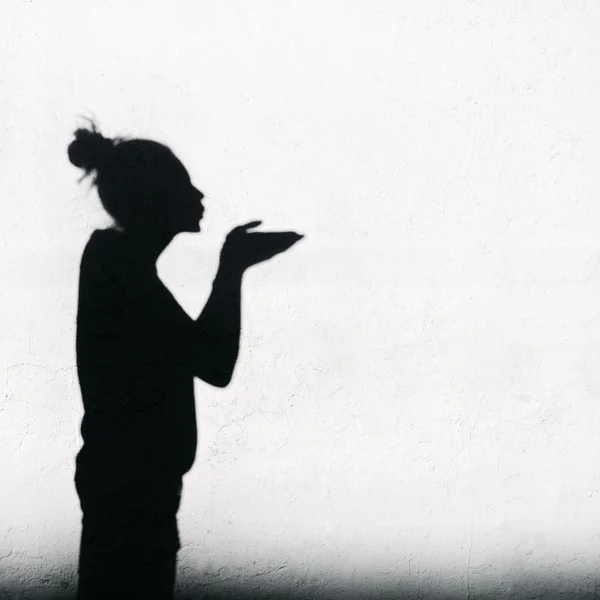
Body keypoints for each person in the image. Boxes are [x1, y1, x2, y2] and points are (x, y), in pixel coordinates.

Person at [68, 123, 302, 599]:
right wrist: (232, 267)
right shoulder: (121, 274)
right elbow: (215, 362)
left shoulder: (115, 266)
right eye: (181, 185)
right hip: (133, 498)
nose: (197, 194)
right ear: (153, 198)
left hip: (131, 490)